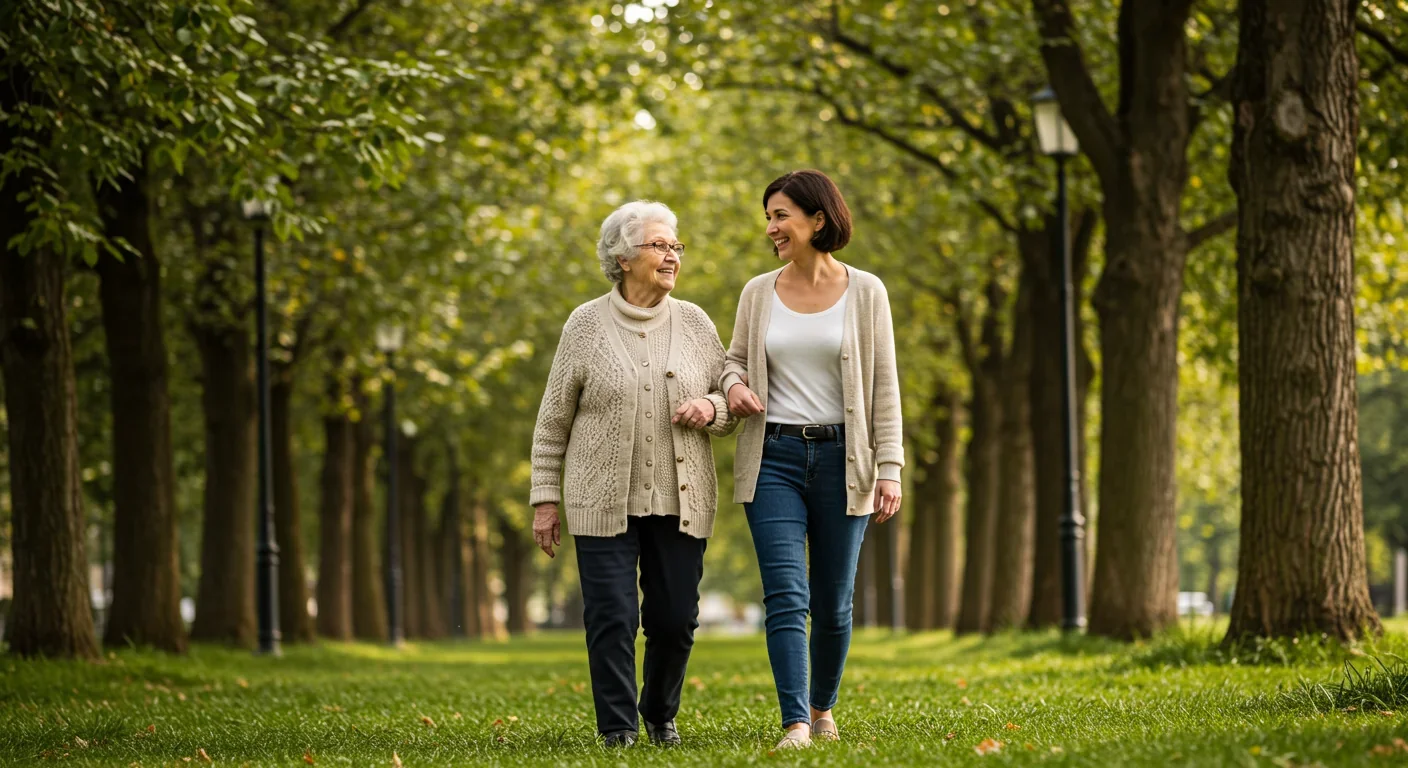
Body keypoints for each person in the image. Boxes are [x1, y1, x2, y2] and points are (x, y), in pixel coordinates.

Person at [528, 200, 737, 748]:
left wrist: (711, 409)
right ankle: (618, 727)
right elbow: (554, 419)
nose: (672, 257)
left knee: (674, 620)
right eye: (659, 246)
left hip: (680, 498)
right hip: (601, 500)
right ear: (622, 258)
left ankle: (660, 711)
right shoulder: (585, 324)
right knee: (612, 618)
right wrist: (544, 499)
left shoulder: (694, 322)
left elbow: (729, 397)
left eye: (676, 247)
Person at [721, 170, 904, 749]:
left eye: (781, 216)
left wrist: (890, 468)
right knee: (785, 594)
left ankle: (824, 706)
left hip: (843, 460)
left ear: (818, 220)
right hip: (771, 456)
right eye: (768, 217)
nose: (772, 228)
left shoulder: (867, 291)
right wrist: (731, 387)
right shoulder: (758, 292)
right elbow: (732, 360)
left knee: (833, 602)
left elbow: (884, 388)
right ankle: (795, 723)